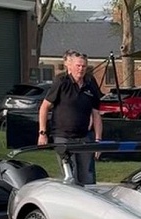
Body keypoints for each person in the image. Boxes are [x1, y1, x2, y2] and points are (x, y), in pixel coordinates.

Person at [38, 49, 103, 185]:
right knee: (70, 176)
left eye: (83, 66)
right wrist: (42, 133)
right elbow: (44, 107)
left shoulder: (90, 83)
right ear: (70, 66)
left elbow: (96, 114)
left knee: (88, 176)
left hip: (84, 137)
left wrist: (98, 140)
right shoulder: (61, 81)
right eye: (78, 66)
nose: (81, 69)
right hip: (63, 136)